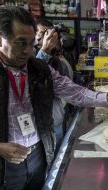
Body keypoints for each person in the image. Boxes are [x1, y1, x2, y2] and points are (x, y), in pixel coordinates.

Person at [0, 6, 108, 190]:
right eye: (20, 43)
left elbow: (74, 92)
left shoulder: (39, 69)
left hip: (38, 155)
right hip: (2, 165)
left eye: (32, 42)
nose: (28, 50)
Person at [35, 18, 73, 154]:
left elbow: (70, 90)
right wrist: (45, 50)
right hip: (39, 129)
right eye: (42, 33)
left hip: (56, 121)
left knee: (56, 161)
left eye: (49, 33)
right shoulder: (30, 57)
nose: (47, 37)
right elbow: (33, 78)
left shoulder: (56, 61)